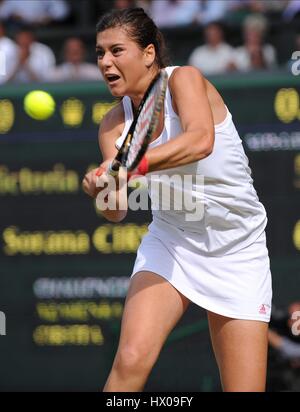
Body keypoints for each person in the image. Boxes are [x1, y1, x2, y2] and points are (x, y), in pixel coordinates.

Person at [82, 7, 272, 392]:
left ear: (149, 53)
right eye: (100, 53)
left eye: (117, 51)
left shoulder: (184, 79)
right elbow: (115, 211)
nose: (105, 62)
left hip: (239, 247)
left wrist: (128, 164)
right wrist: (100, 188)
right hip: (172, 241)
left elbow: (201, 140)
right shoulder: (112, 124)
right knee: (131, 359)